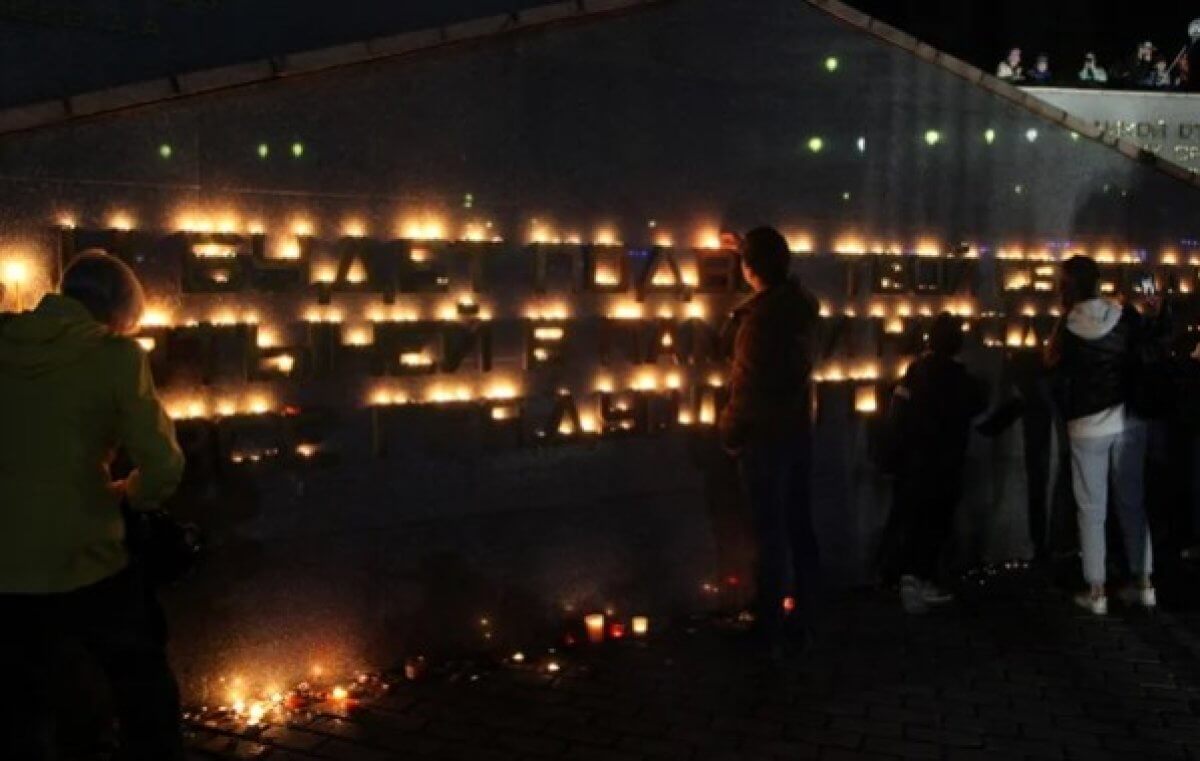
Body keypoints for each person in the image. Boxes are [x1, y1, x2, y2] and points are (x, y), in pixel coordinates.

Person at [0, 251, 187, 759]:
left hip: (5, 564)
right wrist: (130, 493)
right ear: (118, 314)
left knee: (20, 706)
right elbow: (163, 464)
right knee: (141, 683)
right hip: (87, 553)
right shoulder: (116, 357)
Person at [719, 226, 819, 655]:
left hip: (764, 439)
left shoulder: (761, 324)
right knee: (798, 525)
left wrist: (729, 430)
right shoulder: (800, 309)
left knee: (769, 533)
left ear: (751, 268)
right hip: (797, 433)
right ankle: (807, 614)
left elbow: (748, 387)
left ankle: (769, 626)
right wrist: (744, 244)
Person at [1045, 255, 1155, 616]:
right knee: (1132, 503)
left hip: (1086, 427)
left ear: (1068, 286)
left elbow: (1051, 365)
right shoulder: (1124, 316)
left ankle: (1096, 591)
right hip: (1128, 422)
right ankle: (1143, 583)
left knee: (1091, 508)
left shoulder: (1066, 326)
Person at [889, 313, 988, 614]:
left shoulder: (915, 372)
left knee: (914, 520)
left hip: (914, 462)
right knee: (936, 523)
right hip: (946, 463)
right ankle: (923, 580)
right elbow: (980, 408)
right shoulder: (962, 380)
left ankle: (909, 580)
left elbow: (898, 412)